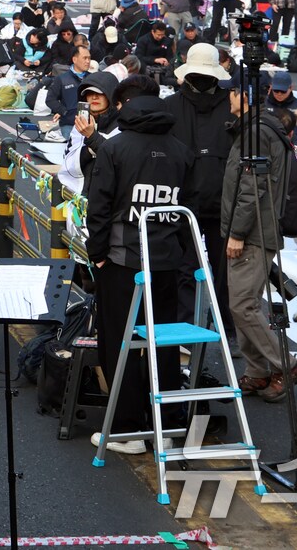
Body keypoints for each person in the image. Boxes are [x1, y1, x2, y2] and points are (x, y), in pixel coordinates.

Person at [81, 74, 193, 453]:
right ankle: (165, 420)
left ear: (123, 105)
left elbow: (99, 207)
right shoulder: (180, 149)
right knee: (162, 343)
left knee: (119, 341)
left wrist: (95, 252)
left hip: (122, 260)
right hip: (166, 261)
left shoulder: (116, 148)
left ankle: (127, 428)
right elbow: (185, 208)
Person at [221, 79, 297, 401]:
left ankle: (287, 365)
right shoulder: (259, 128)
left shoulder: (256, 133)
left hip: (252, 233)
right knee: (244, 304)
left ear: (244, 94)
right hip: (253, 231)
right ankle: (257, 371)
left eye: (231, 90)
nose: (227, 97)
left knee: (242, 305)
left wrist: (238, 233)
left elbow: (253, 188)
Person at [163, 44, 235, 327]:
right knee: (219, 271)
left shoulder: (170, 106)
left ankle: (190, 325)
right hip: (213, 202)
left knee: (188, 270)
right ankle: (222, 324)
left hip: (189, 202)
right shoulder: (232, 104)